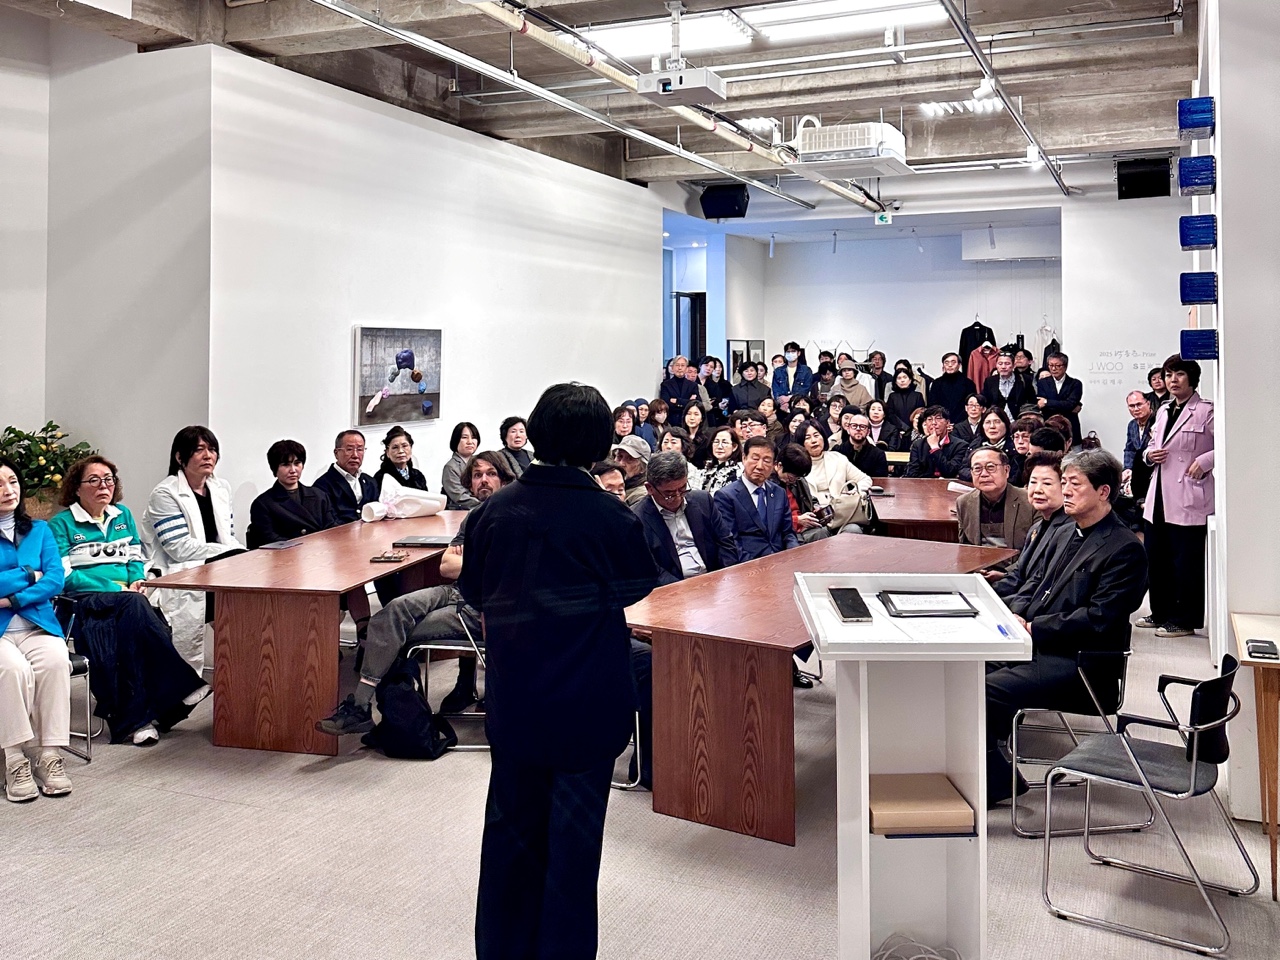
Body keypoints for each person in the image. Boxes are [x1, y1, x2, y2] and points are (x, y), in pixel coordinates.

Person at [458, 382, 658, 960]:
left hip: (516, 701)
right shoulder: (611, 517)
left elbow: (473, 590)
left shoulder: (494, 511)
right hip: (586, 704)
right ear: (599, 443)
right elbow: (636, 587)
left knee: (509, 839)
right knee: (573, 852)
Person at [985, 449, 1147, 806]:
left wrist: (1033, 627)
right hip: (1041, 644)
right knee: (965, 669)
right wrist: (1013, 618)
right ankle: (981, 762)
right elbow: (1038, 587)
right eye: (1066, 482)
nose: (1066, 491)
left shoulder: (1124, 549)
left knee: (987, 689)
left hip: (1083, 663)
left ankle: (996, 780)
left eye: (1075, 484)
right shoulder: (1066, 533)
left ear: (1103, 492)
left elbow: (1099, 619)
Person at [317, 452, 514, 735]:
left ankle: (372, 707)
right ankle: (362, 711)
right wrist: (481, 562)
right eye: (477, 475)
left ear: (504, 480)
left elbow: (503, 569)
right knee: (392, 612)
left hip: (481, 607)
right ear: (469, 483)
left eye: (491, 474)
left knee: (394, 633)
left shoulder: (512, 517)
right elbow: (446, 566)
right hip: (454, 591)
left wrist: (470, 561)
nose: (483, 480)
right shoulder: (473, 517)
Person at [47, 457, 210, 746]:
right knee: (136, 607)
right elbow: (65, 576)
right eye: (94, 480)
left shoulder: (122, 515)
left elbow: (135, 557)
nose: (104, 485)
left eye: (108, 479)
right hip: (84, 602)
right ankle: (181, 685)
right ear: (76, 488)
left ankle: (137, 723)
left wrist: (136, 580)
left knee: (129, 630)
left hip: (126, 600)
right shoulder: (61, 524)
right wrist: (115, 588)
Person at [141, 426, 246, 672]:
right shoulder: (165, 493)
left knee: (245, 615)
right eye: (199, 450)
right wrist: (230, 555)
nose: (208, 456)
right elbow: (178, 548)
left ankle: (238, 676)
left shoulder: (221, 488)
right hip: (178, 572)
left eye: (212, 449)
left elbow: (228, 537)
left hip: (216, 570)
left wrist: (243, 555)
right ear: (180, 457)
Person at [0, 457, 73, 802]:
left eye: (12, 482)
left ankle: (49, 755)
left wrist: (12, 599)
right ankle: (14, 759)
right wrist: (29, 575)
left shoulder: (40, 530)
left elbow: (56, 579)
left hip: (36, 625)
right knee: (11, 669)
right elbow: (42, 576)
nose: (7, 490)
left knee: (57, 661)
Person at [1138, 355, 1214, 639]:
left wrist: (1205, 461)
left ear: (1192, 378)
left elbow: (1230, 443)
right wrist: (1148, 455)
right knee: (1156, 557)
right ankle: (1160, 612)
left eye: (1179, 374)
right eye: (1169, 374)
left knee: (1186, 561)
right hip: (1158, 493)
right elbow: (1150, 444)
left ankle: (1184, 619)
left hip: (1188, 493)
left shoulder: (1206, 411)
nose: (1172, 380)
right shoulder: (1163, 410)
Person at [633, 452, 738, 587]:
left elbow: (725, 542)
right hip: (673, 589)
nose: (678, 497)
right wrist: (683, 590)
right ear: (650, 488)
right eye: (669, 494)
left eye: (683, 489)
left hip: (715, 580)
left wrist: (725, 577)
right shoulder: (636, 519)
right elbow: (650, 570)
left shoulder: (703, 501)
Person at [995, 452, 1072, 600]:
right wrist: (989, 591)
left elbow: (1041, 586)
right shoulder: (1036, 527)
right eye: (1033, 482)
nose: (1037, 490)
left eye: (1047, 483)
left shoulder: (1069, 530)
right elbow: (1019, 574)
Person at [713, 437, 798, 561]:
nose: (760, 466)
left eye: (767, 460)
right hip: (749, 564)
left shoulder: (779, 493)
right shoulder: (726, 496)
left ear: (774, 465)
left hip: (782, 561)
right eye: (755, 458)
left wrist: (794, 555)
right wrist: (756, 567)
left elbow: (788, 533)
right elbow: (731, 543)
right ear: (744, 458)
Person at [246, 441, 338, 548]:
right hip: (286, 554)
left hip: (321, 551)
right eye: (286, 465)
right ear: (274, 468)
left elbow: (331, 528)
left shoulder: (319, 496)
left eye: (297, 463)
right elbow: (268, 539)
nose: (293, 470)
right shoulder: (263, 504)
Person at [794, 419, 871, 534]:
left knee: (853, 530)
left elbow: (865, 479)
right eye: (807, 438)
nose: (814, 441)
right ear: (801, 443)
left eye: (816, 435)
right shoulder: (797, 465)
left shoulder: (838, 458)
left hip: (842, 516)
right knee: (821, 533)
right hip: (815, 520)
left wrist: (856, 491)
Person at [955, 447, 1035, 551]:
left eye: (991, 467)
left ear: (1006, 470)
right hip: (978, 560)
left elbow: (1035, 551)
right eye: (977, 469)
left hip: (1017, 561)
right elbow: (965, 547)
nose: (984, 474)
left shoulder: (1030, 501)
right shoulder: (963, 502)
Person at [313, 429, 381, 521]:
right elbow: (329, 522)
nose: (355, 455)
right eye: (349, 449)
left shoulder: (370, 481)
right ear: (336, 453)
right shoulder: (322, 486)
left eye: (360, 449)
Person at [775, 442, 830, 545]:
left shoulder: (798, 480)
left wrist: (816, 508)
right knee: (821, 534)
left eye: (797, 478)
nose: (793, 481)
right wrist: (797, 520)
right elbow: (770, 519)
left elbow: (810, 499)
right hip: (788, 531)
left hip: (806, 525)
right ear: (779, 465)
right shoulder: (769, 485)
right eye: (791, 477)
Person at [1035, 352, 1083, 447]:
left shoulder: (1075, 383)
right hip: (1049, 426)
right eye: (1051, 365)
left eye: (1057, 366)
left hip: (1071, 427)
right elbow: (1041, 405)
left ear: (1065, 366)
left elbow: (1070, 405)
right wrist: (1064, 405)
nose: (1053, 369)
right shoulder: (1042, 383)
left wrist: (1047, 402)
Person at [958, 407, 1018, 483]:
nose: (992, 426)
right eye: (987, 422)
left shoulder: (1015, 446)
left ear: (1006, 424)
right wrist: (982, 476)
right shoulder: (976, 444)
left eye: (997, 422)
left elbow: (1015, 478)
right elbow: (963, 470)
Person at [904, 407, 966, 479]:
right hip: (923, 485)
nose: (933, 423)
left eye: (938, 418)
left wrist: (935, 448)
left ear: (947, 423)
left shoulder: (960, 445)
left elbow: (951, 472)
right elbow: (912, 474)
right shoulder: (918, 445)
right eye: (929, 419)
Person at [1121, 390, 1155, 504]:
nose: (1136, 409)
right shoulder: (1132, 425)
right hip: (1137, 472)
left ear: (1148, 404)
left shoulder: (1158, 421)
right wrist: (1128, 468)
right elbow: (1129, 449)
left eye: (1139, 404)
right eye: (1132, 406)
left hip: (1153, 471)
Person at [440, 422, 482, 510]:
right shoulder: (451, 467)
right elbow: (460, 497)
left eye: (473, 437)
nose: (470, 442)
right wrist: (486, 505)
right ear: (456, 440)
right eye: (464, 437)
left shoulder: (481, 462)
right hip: (460, 511)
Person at [833, 413, 889, 478]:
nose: (858, 429)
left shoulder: (878, 455)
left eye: (862, 426)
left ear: (868, 432)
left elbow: (880, 481)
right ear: (848, 430)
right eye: (854, 426)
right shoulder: (837, 452)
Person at [373, 425, 428, 491]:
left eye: (404, 446)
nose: (400, 451)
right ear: (387, 452)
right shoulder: (381, 478)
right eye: (395, 447)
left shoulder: (418, 475)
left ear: (411, 448)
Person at [930, 352, 979, 424]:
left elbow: (971, 405)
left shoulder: (968, 383)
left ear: (959, 365)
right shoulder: (936, 383)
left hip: (963, 422)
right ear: (943, 366)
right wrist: (944, 420)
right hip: (942, 422)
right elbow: (933, 405)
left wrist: (958, 423)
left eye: (953, 362)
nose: (950, 365)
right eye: (946, 362)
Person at [698, 426, 742, 497]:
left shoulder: (738, 471)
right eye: (716, 442)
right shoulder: (708, 468)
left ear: (734, 446)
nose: (719, 446)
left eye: (724, 442)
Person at [610, 435, 652, 506]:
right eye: (619, 456)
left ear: (643, 468)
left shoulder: (641, 496)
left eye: (630, 459)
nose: (621, 463)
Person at [886, 368, 925, 434]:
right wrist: (903, 427)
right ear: (895, 381)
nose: (902, 380)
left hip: (914, 431)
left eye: (905, 377)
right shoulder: (892, 396)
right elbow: (890, 415)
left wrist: (911, 428)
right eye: (899, 378)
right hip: (896, 431)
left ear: (910, 380)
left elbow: (920, 413)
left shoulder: (918, 396)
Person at [659, 356, 698, 422]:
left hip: (688, 420)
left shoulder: (693, 385)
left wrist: (677, 401)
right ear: (673, 368)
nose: (680, 368)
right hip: (671, 421)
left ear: (686, 369)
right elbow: (666, 405)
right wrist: (688, 402)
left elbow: (696, 403)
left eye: (682, 365)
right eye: (677, 365)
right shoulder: (665, 385)